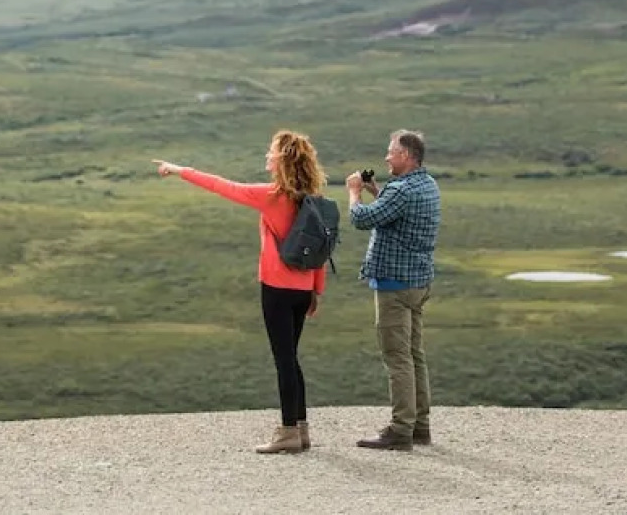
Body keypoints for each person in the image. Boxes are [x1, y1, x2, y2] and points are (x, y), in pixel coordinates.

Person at [154, 130, 328, 454]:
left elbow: (222, 186)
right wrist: (316, 289)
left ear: (283, 160)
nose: (267, 155)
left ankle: (288, 432)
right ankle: (301, 429)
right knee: (292, 358)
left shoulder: (271, 196)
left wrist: (178, 170)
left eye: (271, 151)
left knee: (284, 361)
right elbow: (320, 251)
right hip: (302, 290)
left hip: (277, 289)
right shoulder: (312, 200)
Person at [346, 129, 441, 451]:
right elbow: (395, 213)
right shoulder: (426, 184)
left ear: (407, 156)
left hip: (395, 285)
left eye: (391, 152)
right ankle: (420, 426)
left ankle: (400, 430)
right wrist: (378, 192)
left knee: (397, 358)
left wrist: (355, 192)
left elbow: (362, 220)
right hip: (418, 282)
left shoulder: (401, 190)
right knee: (414, 355)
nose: (386, 157)